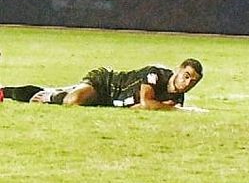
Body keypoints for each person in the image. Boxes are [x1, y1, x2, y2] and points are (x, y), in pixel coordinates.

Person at [1, 58, 203, 110]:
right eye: (186, 75)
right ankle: (5, 91)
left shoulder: (177, 99)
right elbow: (146, 102)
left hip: (110, 102)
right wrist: (160, 108)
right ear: (178, 69)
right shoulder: (156, 74)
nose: (187, 83)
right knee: (71, 101)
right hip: (106, 84)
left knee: (74, 101)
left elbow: (140, 108)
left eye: (193, 81)